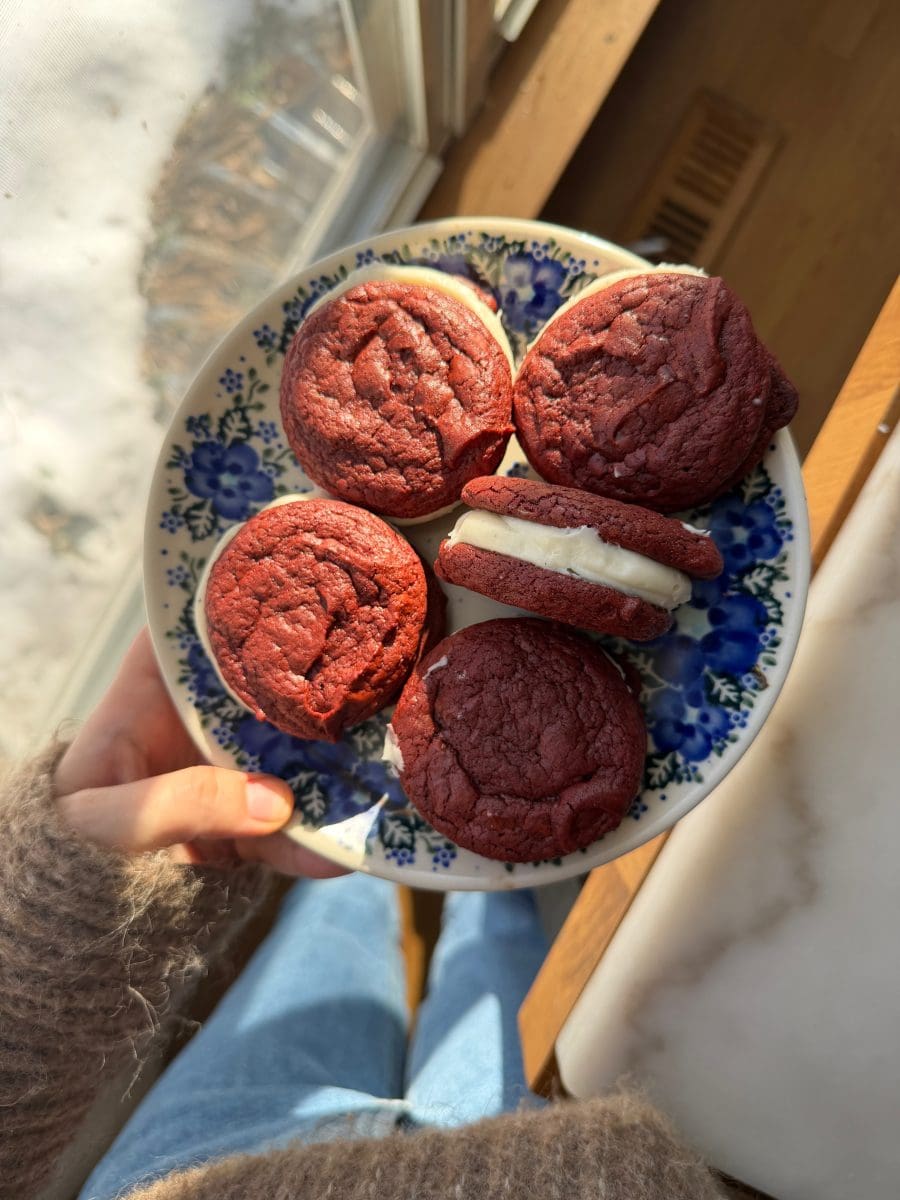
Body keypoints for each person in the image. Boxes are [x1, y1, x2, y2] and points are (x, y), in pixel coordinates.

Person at [0, 630, 727, 1200]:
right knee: (489, 952)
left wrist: (43, 933)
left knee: (330, 924)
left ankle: (386, 859)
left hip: (194, 1169)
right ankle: (479, 884)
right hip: (534, 1171)